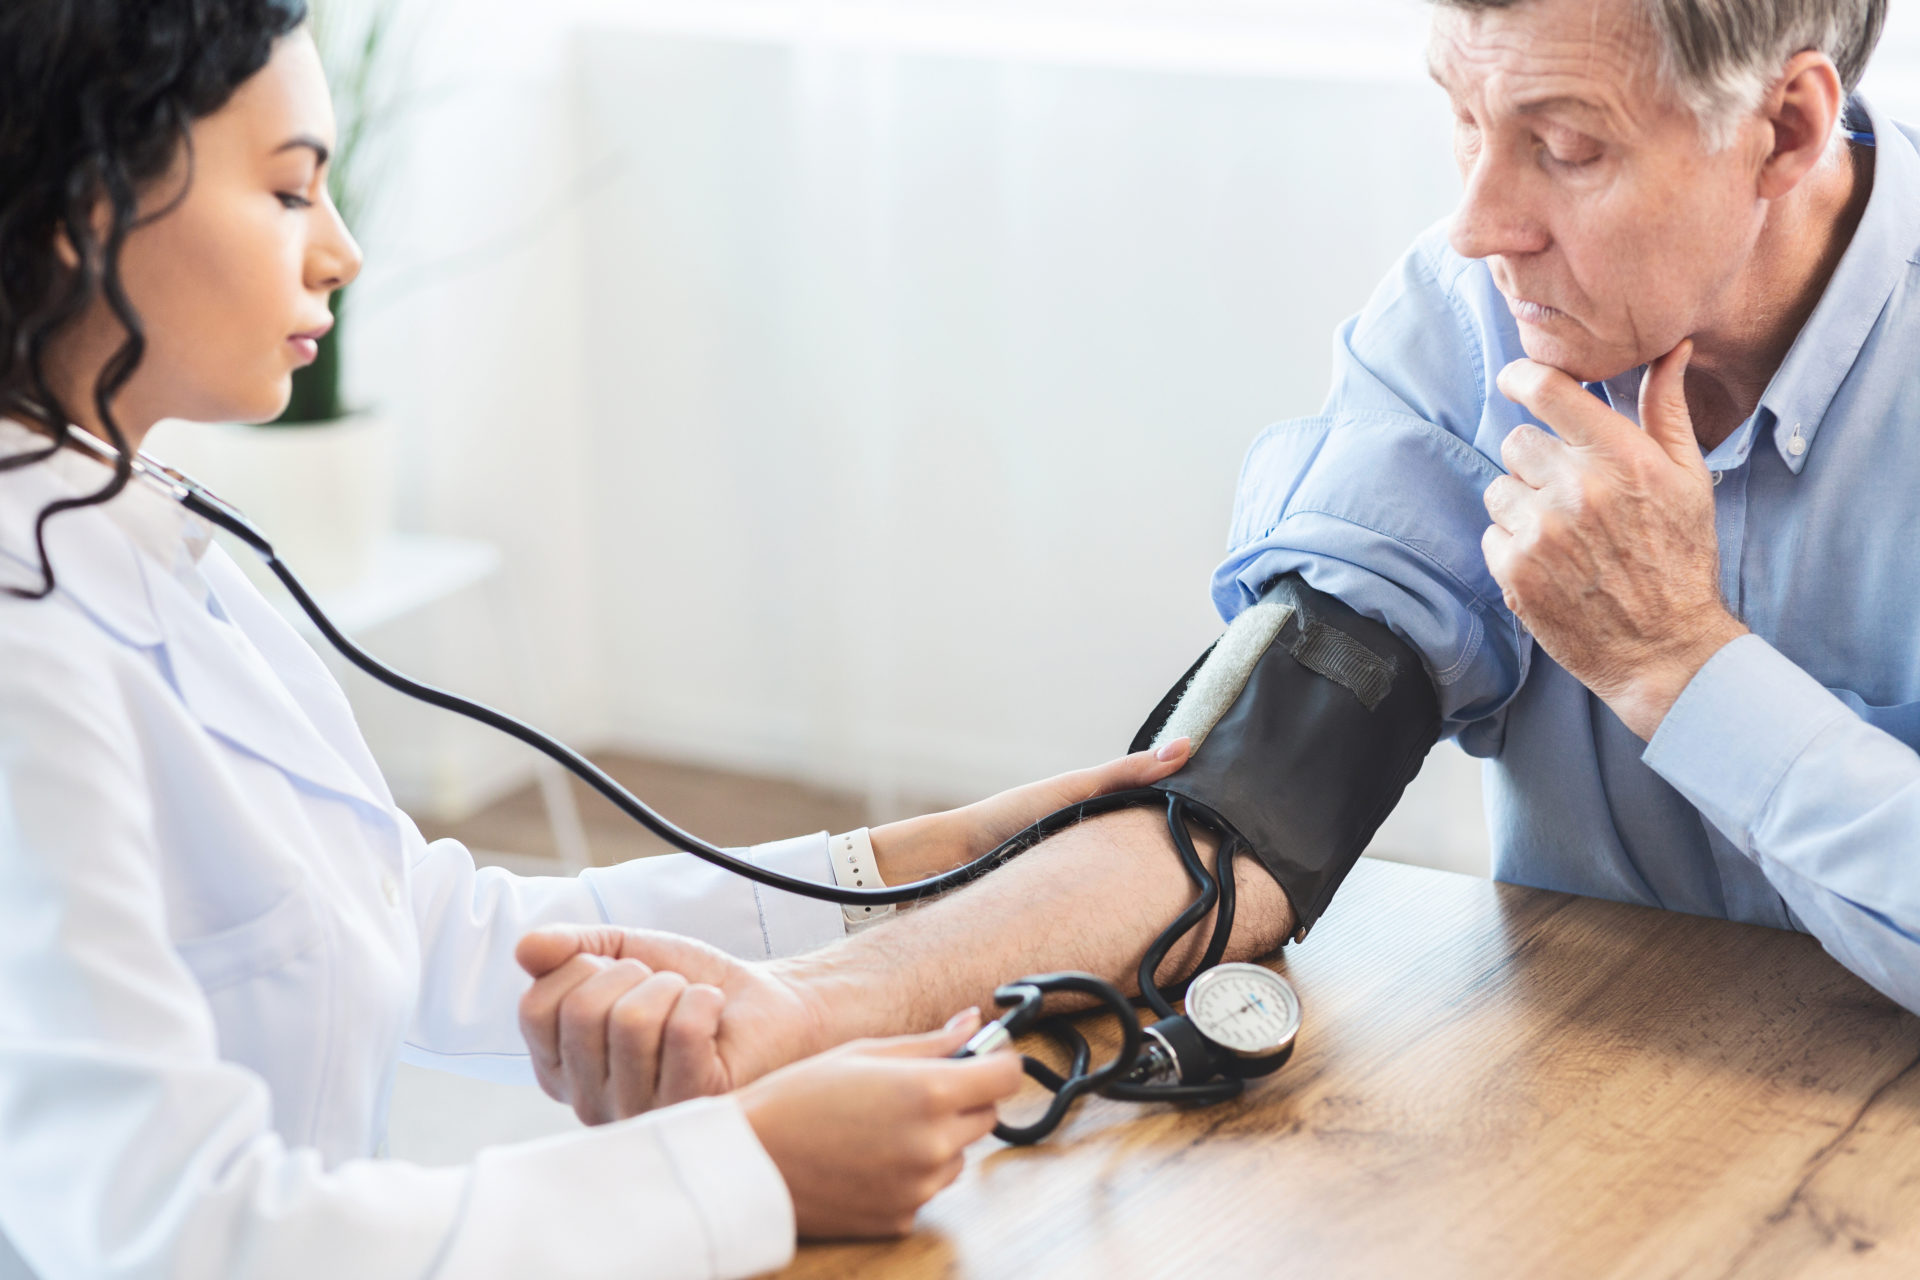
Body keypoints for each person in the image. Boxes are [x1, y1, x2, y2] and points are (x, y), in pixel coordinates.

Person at [518, 0, 1920, 1127]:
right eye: (1462, 117)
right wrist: (814, 1003)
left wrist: (1681, 662)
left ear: (1784, 124)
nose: (1484, 223)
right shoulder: (1465, 325)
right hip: (1601, 1101)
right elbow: (1242, 805)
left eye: (1565, 148)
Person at [0, 4, 1199, 1276]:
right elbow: (173, 1229)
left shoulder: (146, 541)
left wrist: (923, 858)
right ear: (89, 205)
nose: (341, 253)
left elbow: (423, 924)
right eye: (292, 191)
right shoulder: (28, 650)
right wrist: (751, 1167)